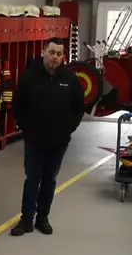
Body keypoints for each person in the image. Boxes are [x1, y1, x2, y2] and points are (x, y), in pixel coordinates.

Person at [10, 38, 85, 237]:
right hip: (34, 140)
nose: (55, 57)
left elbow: (79, 107)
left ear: (63, 56)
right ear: (44, 52)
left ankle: (42, 218)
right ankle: (26, 220)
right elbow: (17, 105)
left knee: (49, 179)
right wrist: (26, 128)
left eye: (59, 54)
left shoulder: (70, 78)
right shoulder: (29, 77)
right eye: (51, 52)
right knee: (33, 179)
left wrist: (68, 129)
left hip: (58, 141)